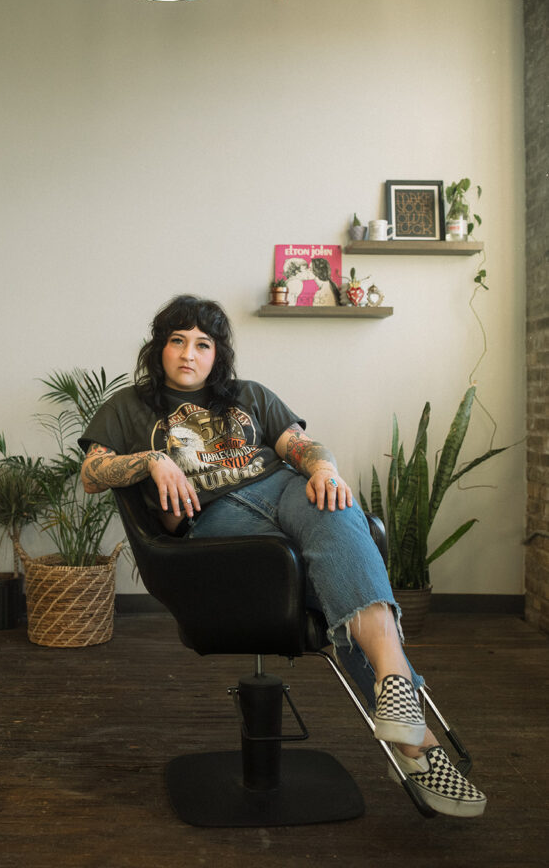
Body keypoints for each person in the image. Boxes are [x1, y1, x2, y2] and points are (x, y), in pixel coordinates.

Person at [78, 295, 486, 818]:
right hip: (217, 519)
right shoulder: (128, 407)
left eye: (203, 343)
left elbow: (303, 446)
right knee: (338, 572)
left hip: (283, 489)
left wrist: (324, 470)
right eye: (176, 340)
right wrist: (153, 459)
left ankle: (398, 700)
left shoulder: (250, 395)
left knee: (337, 505)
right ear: (158, 348)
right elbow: (93, 474)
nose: (188, 353)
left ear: (217, 353)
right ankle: (417, 742)